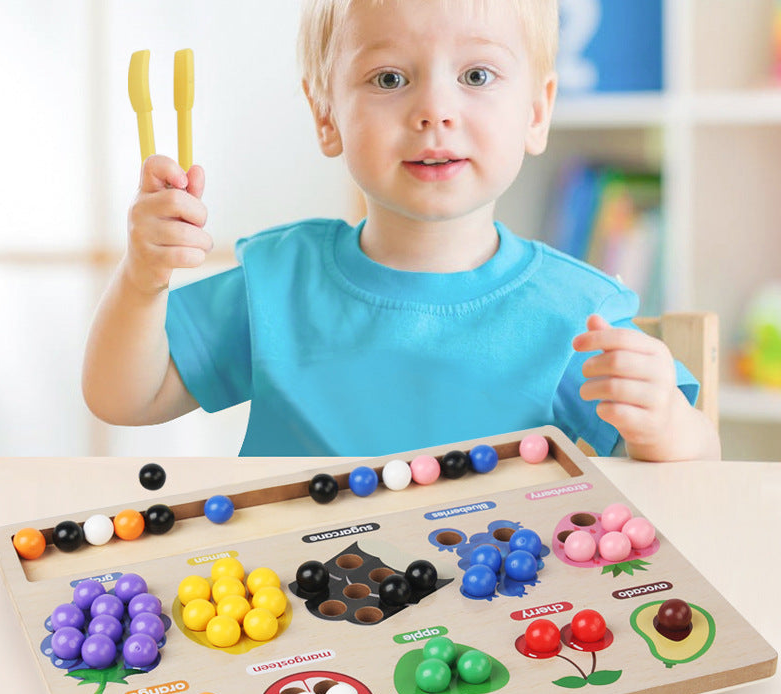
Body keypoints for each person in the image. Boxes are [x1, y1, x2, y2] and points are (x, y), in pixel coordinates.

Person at [83, 0, 720, 461]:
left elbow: (700, 467)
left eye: (476, 76)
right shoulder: (277, 283)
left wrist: (665, 424)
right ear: (325, 114)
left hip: (492, 630)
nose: (434, 111)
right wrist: (143, 280)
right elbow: (124, 399)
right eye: (390, 79)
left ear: (537, 110)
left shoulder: (574, 315)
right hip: (292, 629)